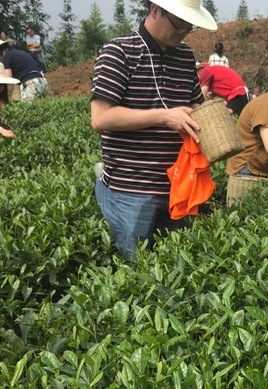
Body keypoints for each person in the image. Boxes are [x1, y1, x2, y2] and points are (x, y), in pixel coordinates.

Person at [90, 0, 217, 258]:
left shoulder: (184, 57)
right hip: (132, 190)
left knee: (172, 273)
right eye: (179, 24)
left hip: (178, 187)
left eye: (188, 27)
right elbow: (101, 118)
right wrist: (163, 117)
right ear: (155, 9)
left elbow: (195, 105)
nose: (182, 32)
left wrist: (213, 116)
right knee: (134, 271)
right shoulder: (119, 51)